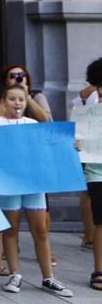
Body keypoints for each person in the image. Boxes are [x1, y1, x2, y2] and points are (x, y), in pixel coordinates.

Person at [0, 84, 73, 296]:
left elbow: (47, 150)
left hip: (33, 182)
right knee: (11, 229)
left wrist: (72, 146)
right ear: (4, 101)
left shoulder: (32, 124)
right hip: (9, 183)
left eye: (21, 99)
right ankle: (15, 274)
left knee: (41, 230)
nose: (17, 103)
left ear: (26, 102)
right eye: (13, 99)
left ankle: (48, 277)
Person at [82, 57, 102, 291]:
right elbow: (79, 137)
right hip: (97, 171)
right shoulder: (89, 110)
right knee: (100, 221)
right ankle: (99, 268)